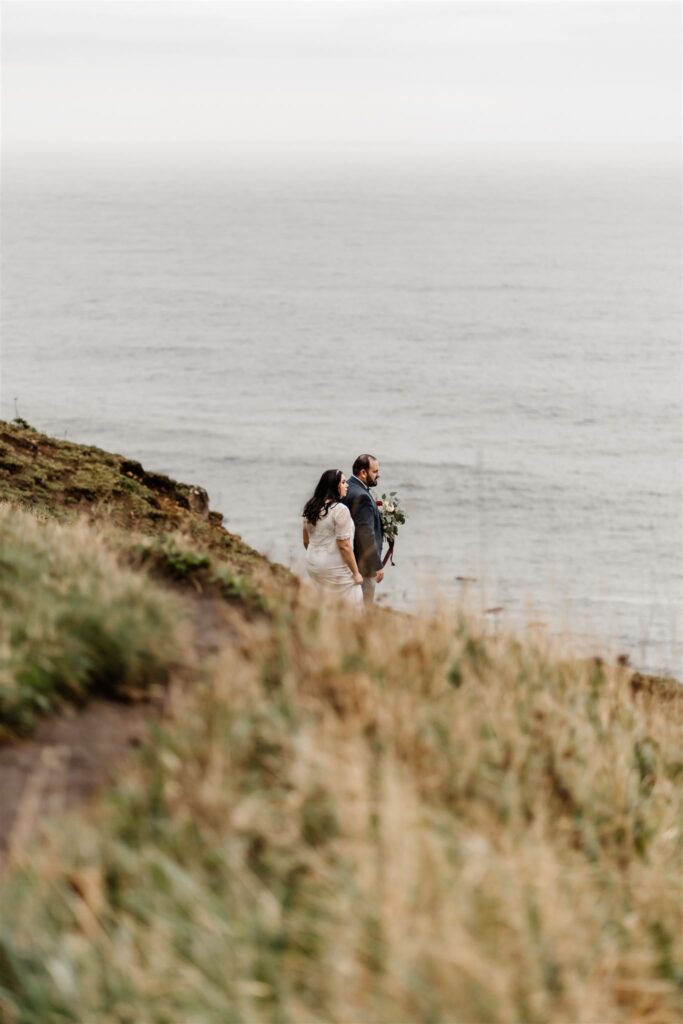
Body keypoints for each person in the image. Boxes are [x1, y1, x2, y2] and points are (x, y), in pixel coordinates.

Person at [302, 469, 363, 608]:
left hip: (312, 563)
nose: (346, 485)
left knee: (323, 603)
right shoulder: (340, 510)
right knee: (354, 598)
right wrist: (356, 573)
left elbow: (306, 540)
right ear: (333, 486)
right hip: (335, 567)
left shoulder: (311, 507)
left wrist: (318, 554)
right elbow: (344, 546)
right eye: (342, 482)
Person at [343, 454, 384, 606]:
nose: (378, 475)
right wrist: (377, 565)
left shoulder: (348, 487)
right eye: (375, 471)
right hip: (363, 566)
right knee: (364, 609)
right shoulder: (362, 496)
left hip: (349, 562)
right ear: (363, 472)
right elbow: (365, 533)